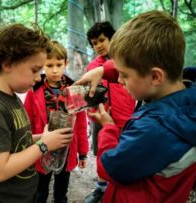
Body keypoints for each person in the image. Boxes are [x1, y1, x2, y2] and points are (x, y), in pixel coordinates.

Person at [75, 10, 196, 202]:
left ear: (155, 77)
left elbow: (110, 168)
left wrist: (109, 128)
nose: (119, 80)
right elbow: (140, 69)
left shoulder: (154, 129)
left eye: (124, 75)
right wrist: (103, 70)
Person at [0, 24, 73, 203]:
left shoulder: (11, 97)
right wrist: (44, 145)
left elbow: (16, 141)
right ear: (8, 64)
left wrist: (43, 136)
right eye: (35, 70)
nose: (39, 77)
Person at [24, 40, 89, 203]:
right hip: (42, 147)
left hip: (66, 148)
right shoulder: (34, 89)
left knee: (61, 192)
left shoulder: (75, 90)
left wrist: (82, 153)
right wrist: (27, 148)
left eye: (59, 65)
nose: (54, 70)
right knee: (40, 191)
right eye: (49, 65)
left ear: (66, 63)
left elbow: (81, 123)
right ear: (42, 66)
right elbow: (27, 120)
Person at [84, 22, 135, 203]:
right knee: (102, 151)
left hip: (124, 117)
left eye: (101, 40)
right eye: (94, 43)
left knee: (124, 153)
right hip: (99, 116)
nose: (98, 45)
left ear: (112, 39)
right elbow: (88, 92)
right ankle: (102, 189)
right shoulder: (91, 66)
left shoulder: (126, 61)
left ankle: (121, 188)